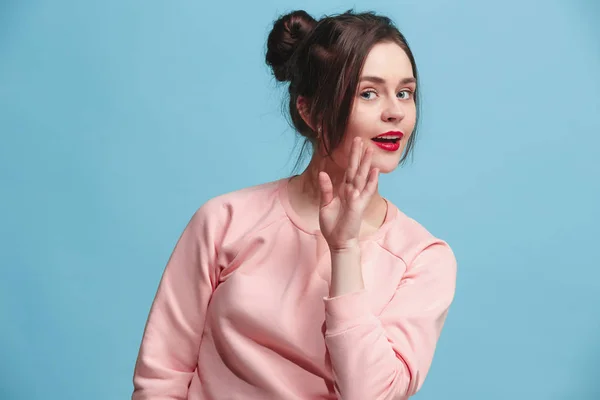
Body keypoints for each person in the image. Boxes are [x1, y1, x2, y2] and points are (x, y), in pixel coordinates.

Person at [132, 9, 457, 400]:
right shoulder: (223, 221)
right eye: (368, 92)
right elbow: (160, 379)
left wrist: (345, 250)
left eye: (405, 92)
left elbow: (371, 395)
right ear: (311, 111)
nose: (395, 112)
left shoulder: (424, 259)